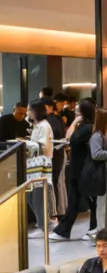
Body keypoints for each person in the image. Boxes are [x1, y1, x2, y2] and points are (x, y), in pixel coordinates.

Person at [52, 99, 96, 241]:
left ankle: (93, 229)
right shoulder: (84, 127)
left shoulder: (87, 128)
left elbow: (68, 137)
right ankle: (65, 231)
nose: (75, 113)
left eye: (78, 111)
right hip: (78, 168)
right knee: (76, 200)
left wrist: (75, 121)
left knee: (88, 201)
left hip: (82, 169)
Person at [24, 100, 54, 235]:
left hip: (40, 165)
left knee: (38, 197)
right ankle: (42, 223)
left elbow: (43, 147)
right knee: (31, 196)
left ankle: (43, 225)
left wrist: (26, 143)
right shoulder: (37, 125)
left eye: (29, 110)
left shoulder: (44, 126)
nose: (28, 113)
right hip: (34, 165)